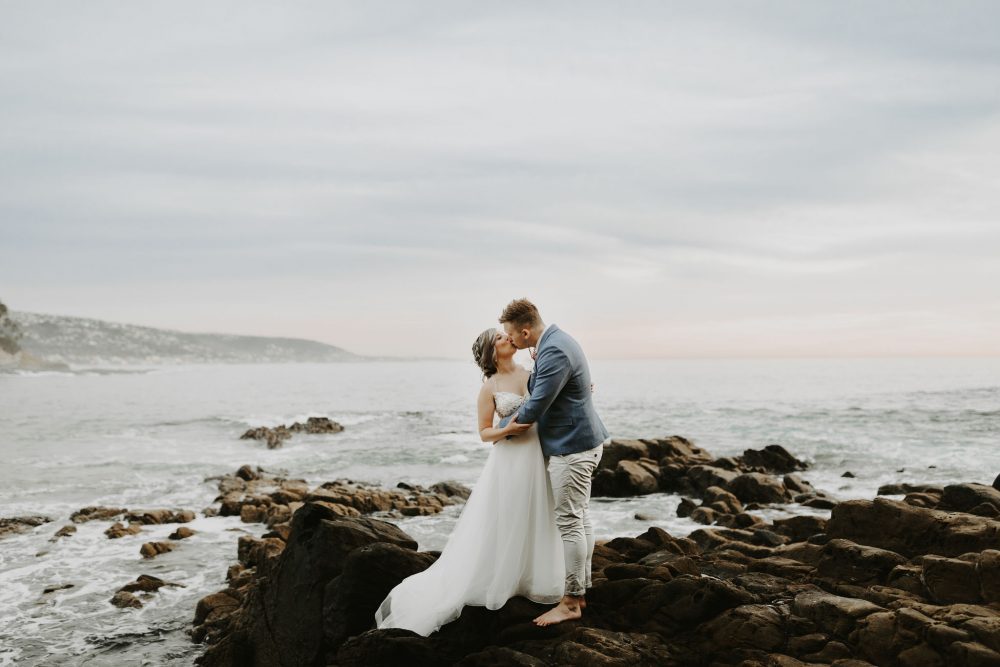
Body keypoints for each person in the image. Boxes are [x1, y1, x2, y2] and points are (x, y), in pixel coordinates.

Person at [374, 327, 565, 636]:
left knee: (540, 514)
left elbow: (553, 398)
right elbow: (484, 432)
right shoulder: (490, 387)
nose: (508, 338)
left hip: (538, 454)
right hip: (510, 460)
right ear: (492, 352)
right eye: (500, 338)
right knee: (509, 516)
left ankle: (535, 577)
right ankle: (504, 577)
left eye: (506, 335)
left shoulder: (532, 372)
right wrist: (507, 431)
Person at [498, 298, 609, 627]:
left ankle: (571, 601)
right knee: (581, 518)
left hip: (572, 448)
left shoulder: (555, 350)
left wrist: (499, 432)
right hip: (582, 441)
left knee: (570, 522)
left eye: (511, 335)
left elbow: (536, 406)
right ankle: (582, 588)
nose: (511, 341)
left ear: (526, 331)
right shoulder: (554, 343)